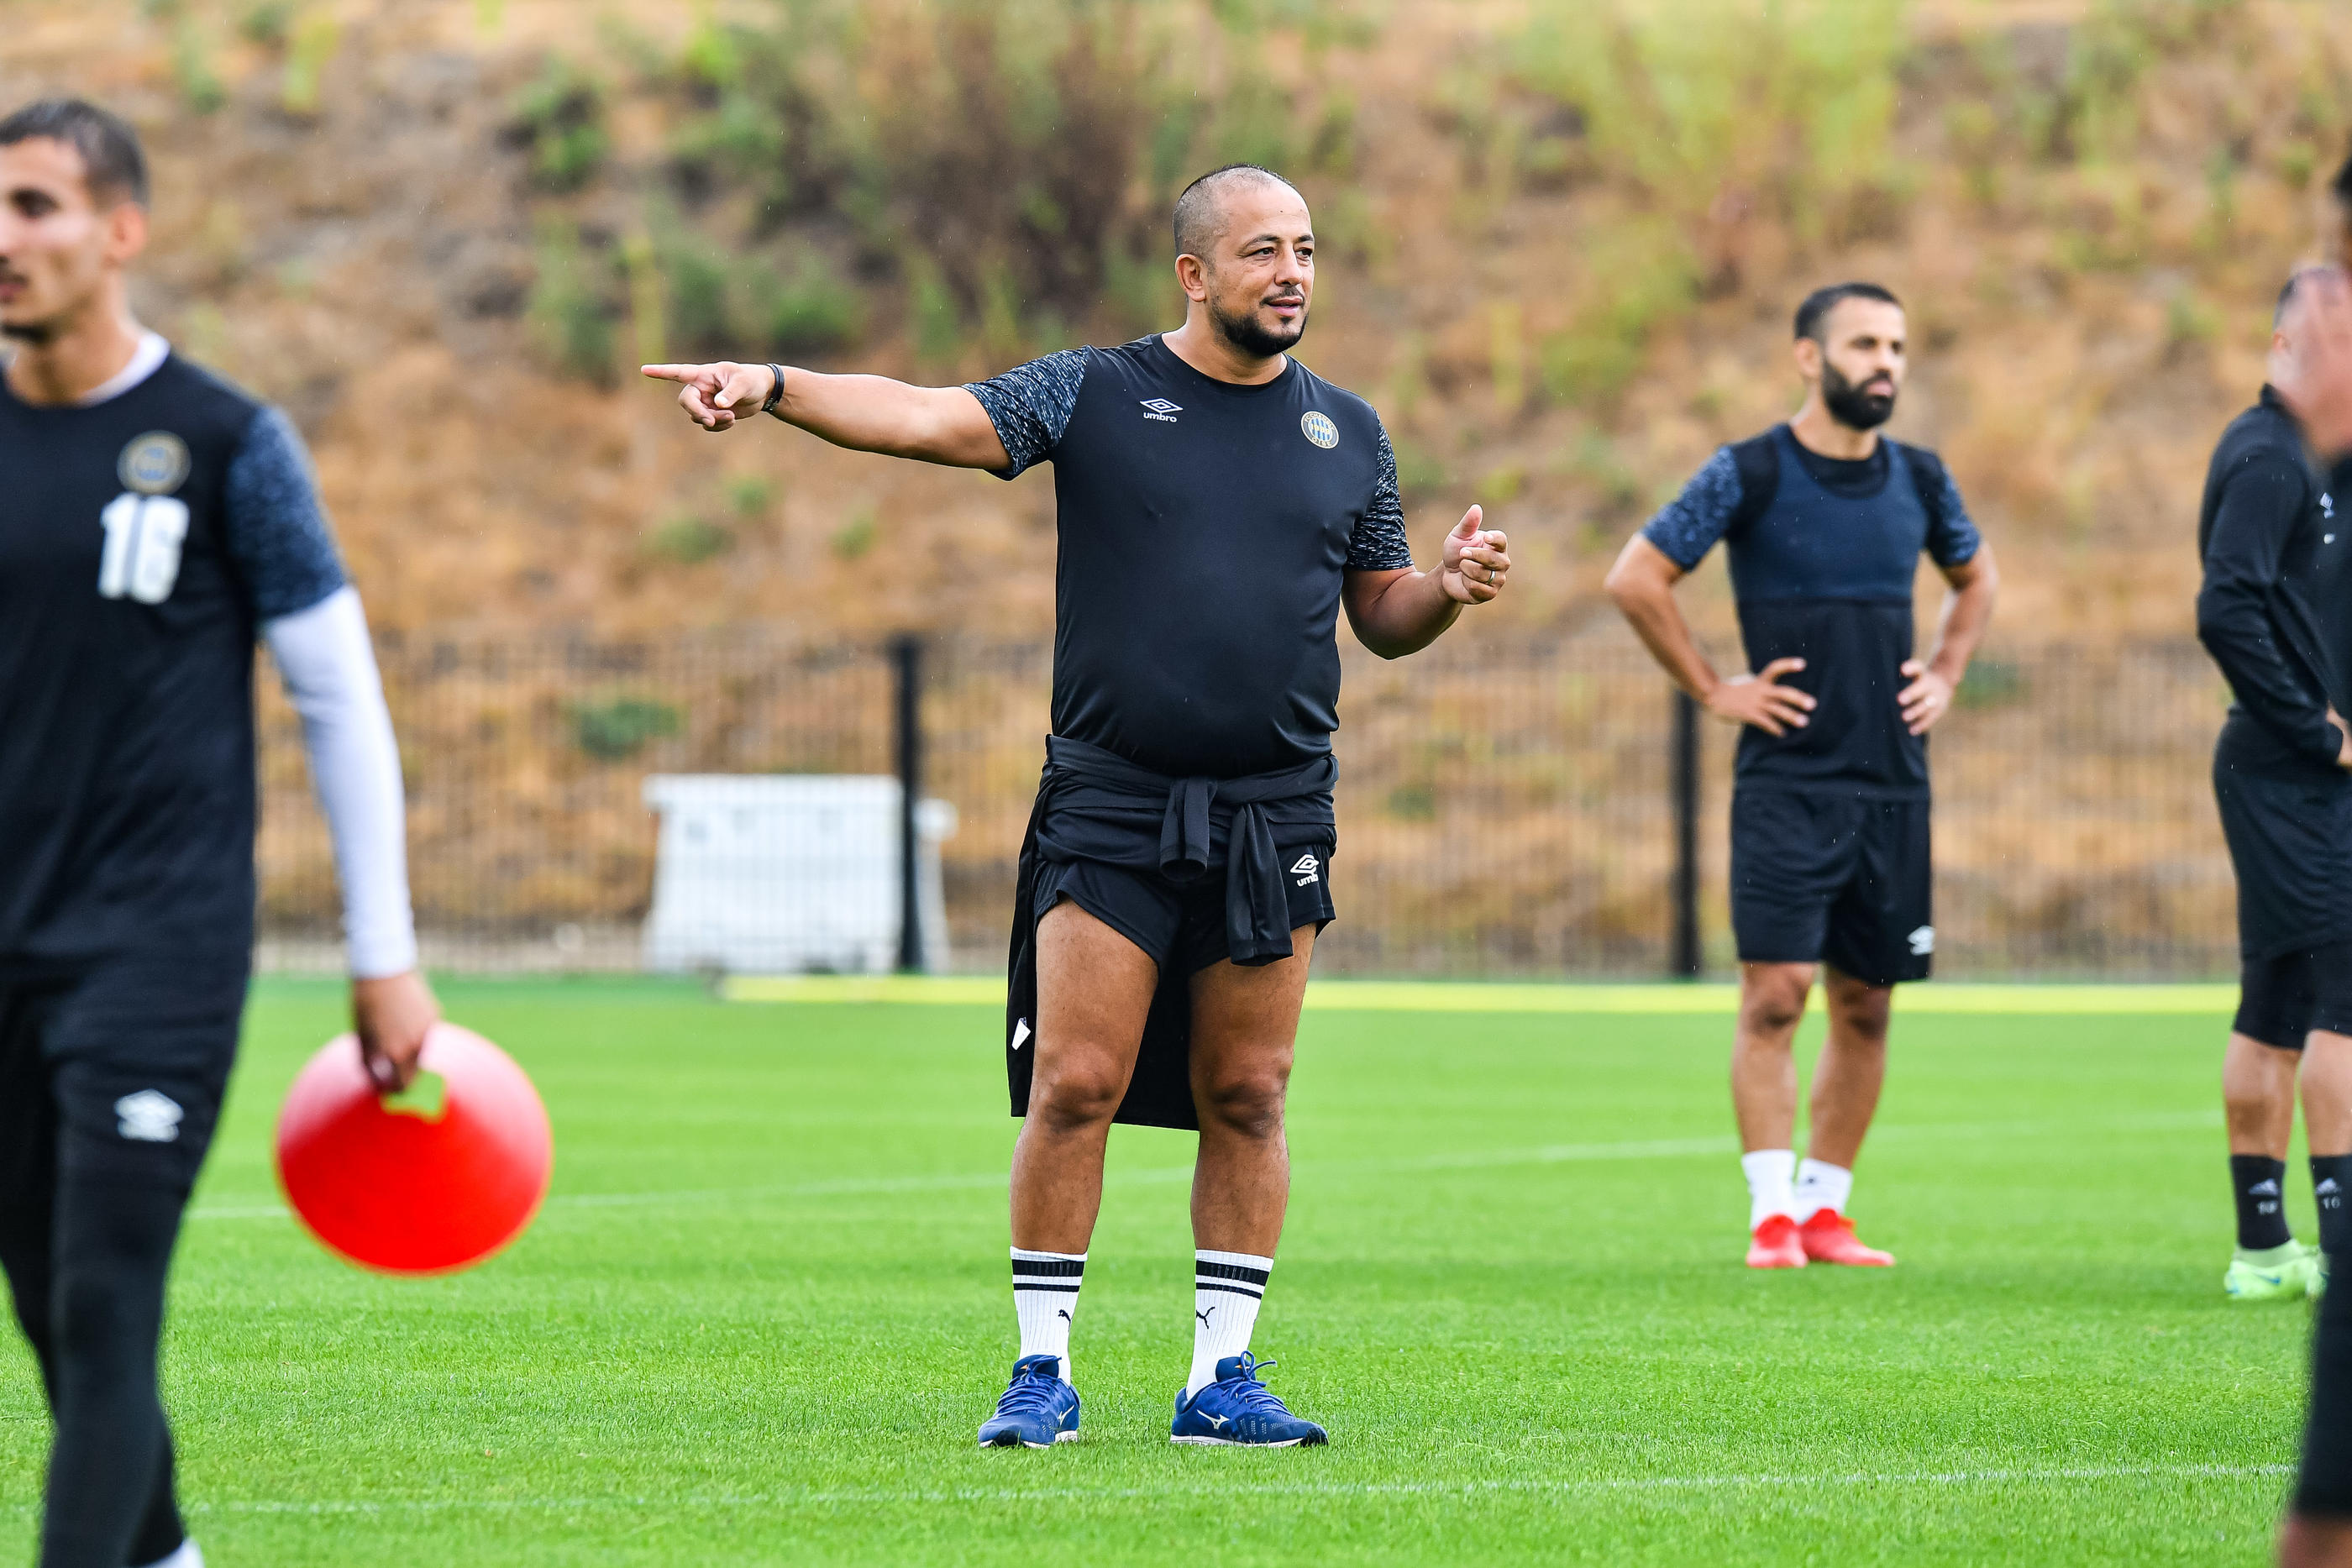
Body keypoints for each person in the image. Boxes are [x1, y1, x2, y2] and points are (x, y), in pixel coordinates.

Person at [644, 163, 1510, 1448]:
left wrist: (1442, 584)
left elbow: (1382, 618)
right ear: (1194, 273)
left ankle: (1223, 1378)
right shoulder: (1098, 391)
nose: (1293, 273)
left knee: (1253, 1093)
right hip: (1111, 802)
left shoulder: (1352, 432)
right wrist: (773, 387)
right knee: (1078, 1081)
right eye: (1264, 249)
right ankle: (1040, 1368)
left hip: (1278, 813)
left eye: (1308, 250)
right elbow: (926, 417)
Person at [0, 99, 437, 1568]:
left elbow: (338, 698)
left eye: (37, 205)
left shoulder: (225, 442)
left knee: (110, 1297)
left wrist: (386, 954)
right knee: (54, 1310)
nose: (6, 238)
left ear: (121, 231)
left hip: (156, 949)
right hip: (7, 944)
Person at [1604, 281, 1998, 1271]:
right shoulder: (1750, 473)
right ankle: (1770, 1214)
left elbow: (1977, 577)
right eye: (1865, 343)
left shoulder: (1920, 476)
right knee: (1774, 993)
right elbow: (1636, 577)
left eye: (1898, 346)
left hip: (1893, 786)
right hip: (1785, 784)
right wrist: (1711, 688)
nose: (1886, 363)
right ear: (1808, 358)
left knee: (1866, 1001)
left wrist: (1946, 673)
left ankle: (1826, 1210)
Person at [2193, 270, 2352, 1316]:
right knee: (2342, 996)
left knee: (2281, 1002)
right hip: (2286, 767)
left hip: (2289, 769)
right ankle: (2339, 1241)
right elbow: (2224, 605)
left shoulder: (2321, 456)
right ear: (2290, 339)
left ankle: (2263, 1250)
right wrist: (2320, 728)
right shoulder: (2264, 455)